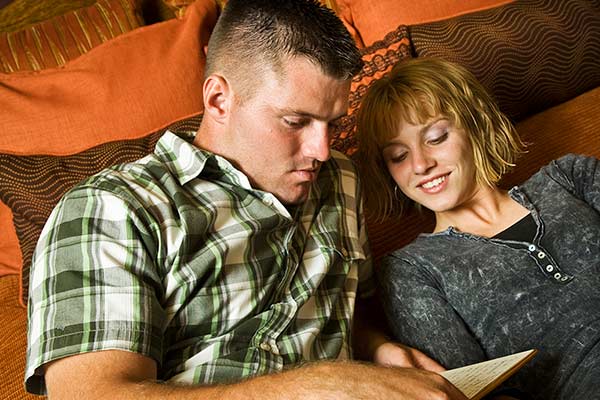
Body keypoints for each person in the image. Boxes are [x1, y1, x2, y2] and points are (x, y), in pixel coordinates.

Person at [25, 2, 469, 399]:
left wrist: (377, 347)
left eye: (332, 123)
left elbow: (355, 308)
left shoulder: (341, 180)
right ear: (219, 99)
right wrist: (316, 387)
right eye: (296, 121)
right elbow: (94, 394)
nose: (321, 149)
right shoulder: (113, 209)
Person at [356, 57, 600, 399]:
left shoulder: (570, 177)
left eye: (436, 137)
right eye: (398, 156)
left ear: (475, 124)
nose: (421, 165)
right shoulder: (411, 270)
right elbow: (472, 392)